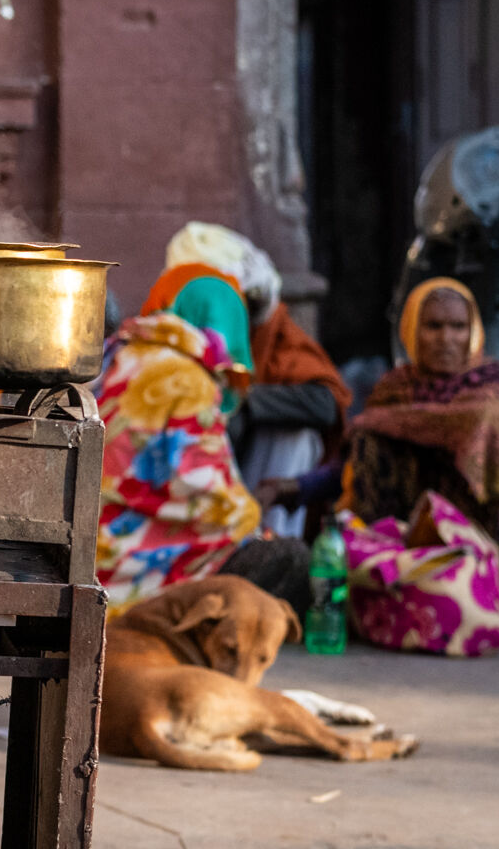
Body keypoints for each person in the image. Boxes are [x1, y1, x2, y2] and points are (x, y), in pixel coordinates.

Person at [342, 278, 499, 629]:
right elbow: (353, 459)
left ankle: (490, 581)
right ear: (411, 330)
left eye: (458, 327)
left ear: (472, 333)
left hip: (492, 533)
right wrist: (295, 487)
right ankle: (386, 559)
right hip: (412, 525)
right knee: (372, 435)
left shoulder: (494, 394)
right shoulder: (394, 391)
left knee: (482, 432)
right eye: (433, 326)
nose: (446, 339)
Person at [160, 222, 350, 538]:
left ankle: (268, 543)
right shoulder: (165, 340)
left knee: (295, 434)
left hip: (255, 483)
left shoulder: (270, 334)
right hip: (184, 492)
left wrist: (241, 398)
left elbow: (326, 404)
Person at [94, 271, 263, 609]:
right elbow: (209, 495)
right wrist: (252, 519)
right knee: (259, 543)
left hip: (88, 533)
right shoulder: (189, 380)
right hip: (121, 560)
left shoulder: (122, 352)